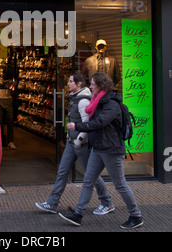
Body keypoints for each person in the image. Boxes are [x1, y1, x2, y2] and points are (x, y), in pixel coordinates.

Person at [59, 72, 143, 230]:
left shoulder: (111, 104)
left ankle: (136, 215)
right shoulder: (97, 101)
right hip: (98, 147)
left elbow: (99, 123)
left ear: (101, 86)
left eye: (92, 84)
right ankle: (78, 214)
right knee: (88, 181)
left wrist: (77, 126)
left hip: (111, 149)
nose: (90, 86)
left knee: (120, 184)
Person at [35, 73, 114, 215]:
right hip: (72, 143)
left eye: (71, 82)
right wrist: (68, 136)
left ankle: (107, 202)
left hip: (81, 144)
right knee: (62, 172)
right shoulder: (75, 99)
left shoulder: (83, 101)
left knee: (91, 176)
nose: (68, 84)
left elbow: (87, 124)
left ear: (79, 84)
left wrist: (78, 141)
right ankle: (52, 203)